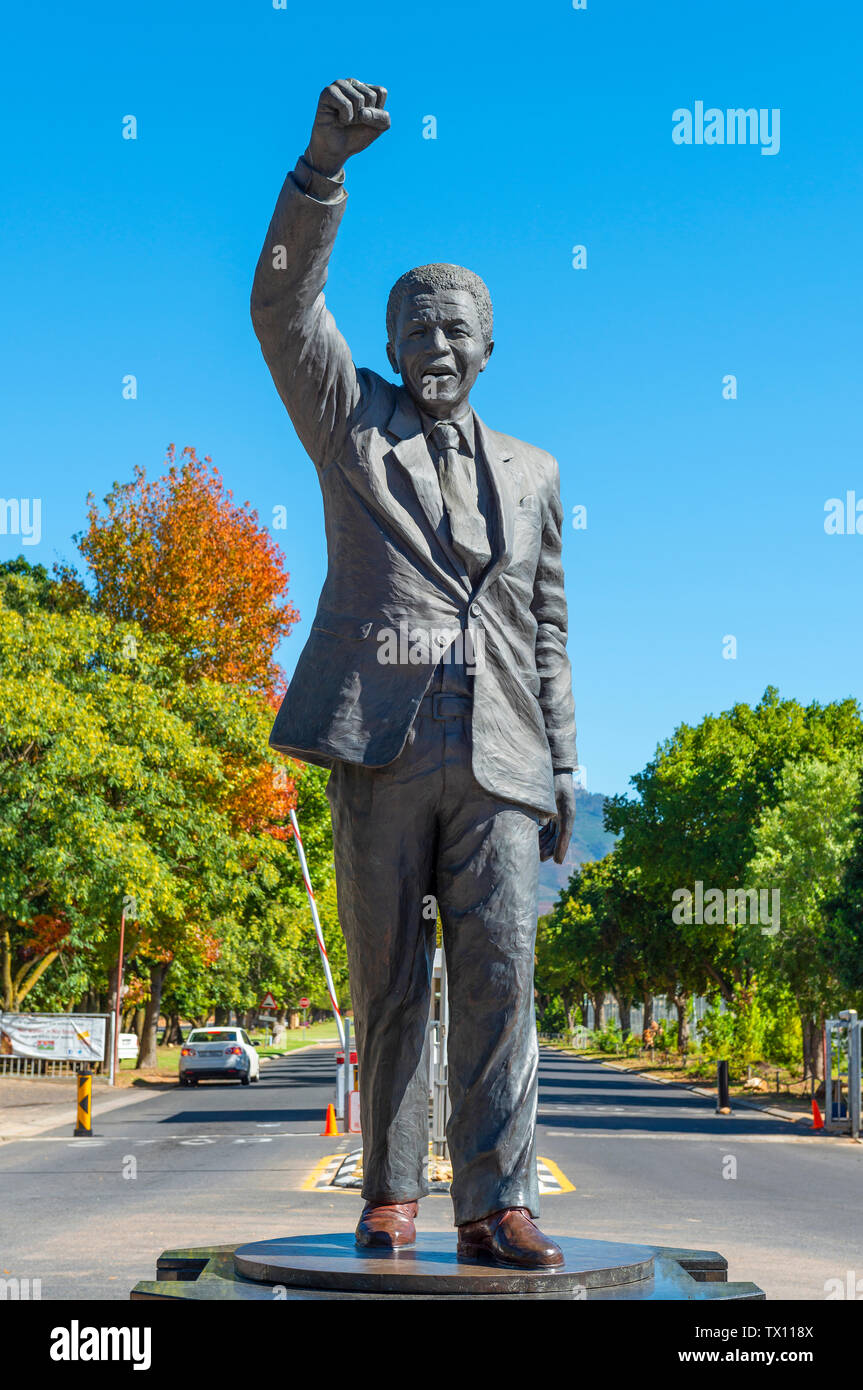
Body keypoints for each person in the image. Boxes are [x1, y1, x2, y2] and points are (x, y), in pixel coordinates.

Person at [251, 79, 577, 1268]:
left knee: (502, 988)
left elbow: (546, 629)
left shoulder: (537, 472)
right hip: (379, 745)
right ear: (388, 346)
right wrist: (319, 174)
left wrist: (563, 772)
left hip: (500, 756)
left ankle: (495, 1205)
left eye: (455, 330)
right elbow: (283, 310)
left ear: (488, 346)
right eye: (415, 329)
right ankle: (390, 1195)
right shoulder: (353, 428)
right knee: (390, 984)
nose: (434, 346)